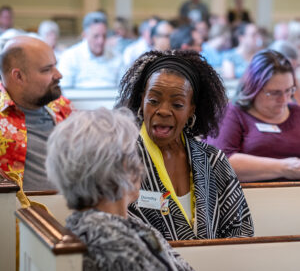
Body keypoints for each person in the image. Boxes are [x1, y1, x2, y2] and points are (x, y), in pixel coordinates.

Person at [116, 50, 254, 240]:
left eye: (178, 104)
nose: (163, 111)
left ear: (191, 110)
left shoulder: (213, 161)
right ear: (142, 101)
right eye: (154, 101)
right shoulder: (120, 161)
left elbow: (241, 230)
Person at [46, 107, 194, 271]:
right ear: (123, 166)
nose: (140, 164)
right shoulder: (108, 236)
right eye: (134, 154)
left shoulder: (96, 222)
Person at [208, 50, 300, 182]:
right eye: (274, 93)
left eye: (289, 90)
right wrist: (284, 167)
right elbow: (217, 162)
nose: (284, 99)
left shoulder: (296, 113)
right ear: (253, 88)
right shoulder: (232, 114)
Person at [0, 36, 72, 190]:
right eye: (47, 69)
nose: (58, 75)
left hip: (72, 208)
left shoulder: (62, 107)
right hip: (19, 212)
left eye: (55, 66)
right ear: (18, 76)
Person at [58, 11, 122, 88]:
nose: (101, 41)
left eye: (104, 36)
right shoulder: (70, 57)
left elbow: (124, 90)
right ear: (85, 35)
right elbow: (64, 90)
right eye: (96, 36)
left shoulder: (117, 57)